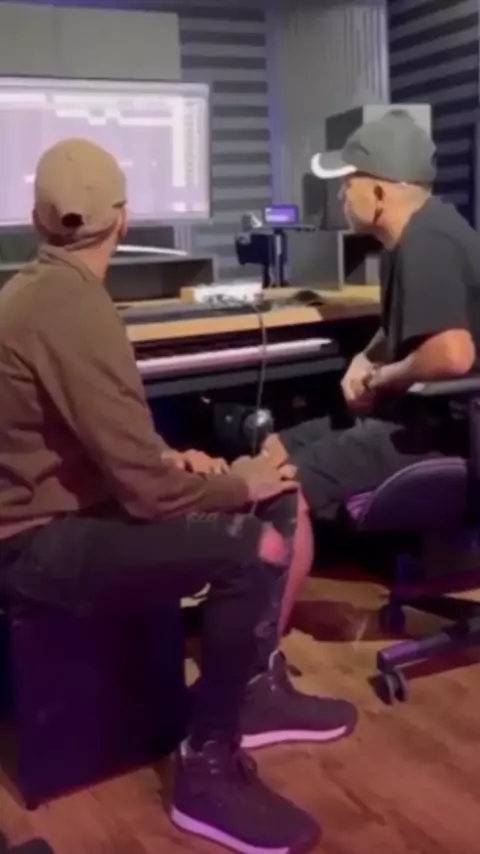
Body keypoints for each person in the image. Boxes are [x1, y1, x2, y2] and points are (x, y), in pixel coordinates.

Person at [0, 138, 357, 854]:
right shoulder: (72, 307)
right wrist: (234, 481)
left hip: (69, 510)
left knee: (269, 501)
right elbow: (144, 494)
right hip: (33, 545)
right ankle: (207, 770)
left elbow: (89, 437)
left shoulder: (37, 291)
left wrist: (174, 458)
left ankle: (252, 691)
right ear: (124, 220)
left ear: (37, 221)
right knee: (255, 542)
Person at [261, 110, 479, 523]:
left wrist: (382, 377)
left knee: (281, 485)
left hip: (442, 429)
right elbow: (411, 319)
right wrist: (366, 357)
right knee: (275, 449)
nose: (340, 197)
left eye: (347, 184)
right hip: (413, 414)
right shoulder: (416, 234)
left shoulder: (428, 241)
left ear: (378, 193)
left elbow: (452, 354)